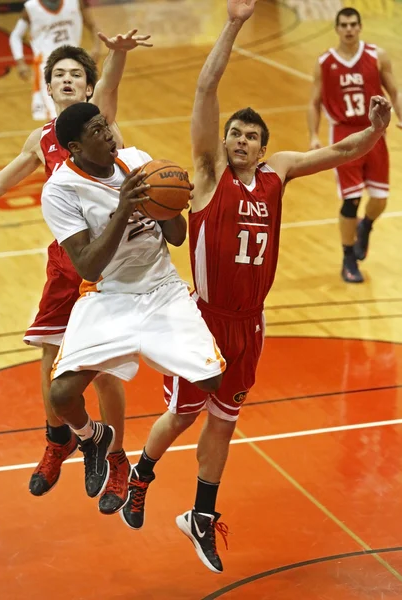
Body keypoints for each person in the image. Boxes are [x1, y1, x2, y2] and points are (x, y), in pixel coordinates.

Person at [118, 0, 392, 575]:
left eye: (250, 136)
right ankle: (140, 471)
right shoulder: (207, 172)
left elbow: (344, 151)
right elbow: (204, 89)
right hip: (204, 321)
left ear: (263, 147)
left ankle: (200, 516)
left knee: (224, 419)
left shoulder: (279, 171)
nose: (241, 141)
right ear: (224, 141)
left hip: (252, 324)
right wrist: (235, 22)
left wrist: (377, 129)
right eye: (234, 134)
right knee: (185, 414)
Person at [39, 101, 226, 516]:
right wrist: (125, 208)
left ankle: (142, 460)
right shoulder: (60, 190)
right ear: (74, 146)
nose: (108, 134)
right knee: (62, 395)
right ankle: (91, 437)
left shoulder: (137, 161)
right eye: (96, 130)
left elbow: (176, 237)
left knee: (212, 380)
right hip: (108, 295)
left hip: (161, 289)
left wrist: (169, 203)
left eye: (105, 125)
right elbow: (87, 264)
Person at [0, 30, 152, 515]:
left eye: (75, 75)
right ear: (49, 87)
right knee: (49, 354)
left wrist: (118, 55)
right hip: (66, 264)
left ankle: (119, 458)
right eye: (58, 74)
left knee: (102, 371)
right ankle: (59, 439)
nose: (66, 80)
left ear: (87, 88)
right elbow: (8, 176)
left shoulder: (100, 122)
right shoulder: (42, 139)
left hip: (105, 266)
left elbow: (109, 86)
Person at [307, 6, 402, 283]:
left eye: (353, 24)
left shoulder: (376, 56)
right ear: (336, 29)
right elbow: (313, 102)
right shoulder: (325, 61)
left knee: (381, 199)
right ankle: (348, 257)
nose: (348, 29)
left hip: (375, 131)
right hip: (344, 135)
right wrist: (313, 135)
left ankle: (367, 226)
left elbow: (394, 90)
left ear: (360, 27)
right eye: (344, 25)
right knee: (352, 199)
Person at [9, 0, 101, 121]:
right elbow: (15, 36)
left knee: (84, 111)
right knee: (57, 115)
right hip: (48, 67)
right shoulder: (31, 8)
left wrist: (96, 48)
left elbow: (93, 25)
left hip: (75, 62)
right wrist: (20, 62)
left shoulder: (74, 2)